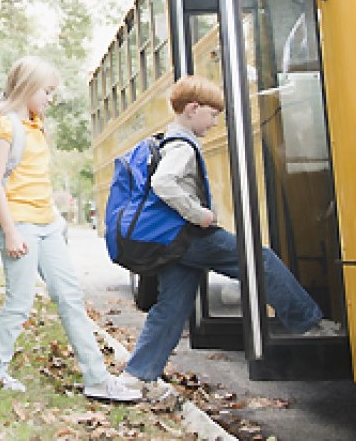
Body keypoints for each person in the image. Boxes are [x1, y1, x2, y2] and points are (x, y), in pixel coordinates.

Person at [119, 74, 333, 399]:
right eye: (213, 114)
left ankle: (136, 377)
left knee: (172, 307)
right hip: (190, 236)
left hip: (174, 243)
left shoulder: (171, 140)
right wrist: (197, 213)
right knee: (259, 259)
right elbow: (164, 183)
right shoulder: (182, 145)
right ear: (193, 109)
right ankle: (308, 322)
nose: (215, 122)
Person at [0, 56, 141, 401]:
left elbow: (39, 178)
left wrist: (57, 219)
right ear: (27, 88)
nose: (50, 98)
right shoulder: (4, 126)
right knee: (19, 302)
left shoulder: (38, 126)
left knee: (70, 298)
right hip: (19, 224)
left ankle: (96, 377)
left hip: (47, 224)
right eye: (47, 91)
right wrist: (9, 231)